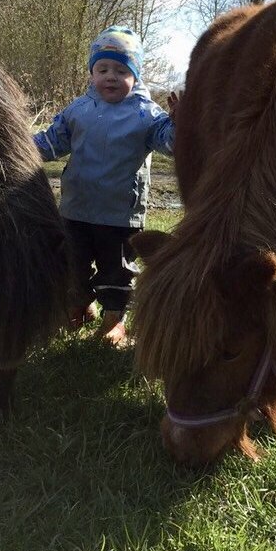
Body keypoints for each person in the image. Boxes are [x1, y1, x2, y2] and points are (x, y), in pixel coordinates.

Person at [34, 26, 179, 347]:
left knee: (117, 271)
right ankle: (80, 303)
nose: (110, 76)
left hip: (120, 216)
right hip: (75, 209)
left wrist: (180, 123)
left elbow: (172, 144)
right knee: (72, 262)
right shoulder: (78, 111)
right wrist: (17, 144)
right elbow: (50, 142)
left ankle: (114, 318)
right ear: (92, 72)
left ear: (136, 76)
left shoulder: (147, 115)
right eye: (102, 69)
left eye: (121, 70)